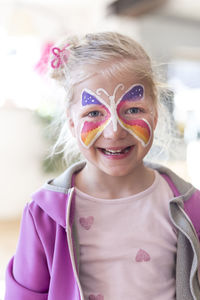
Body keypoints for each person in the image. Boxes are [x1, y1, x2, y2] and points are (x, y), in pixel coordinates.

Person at [5, 32, 200, 300]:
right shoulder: (45, 215)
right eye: (94, 113)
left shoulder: (189, 206)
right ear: (72, 123)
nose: (114, 131)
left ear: (155, 114)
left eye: (133, 110)